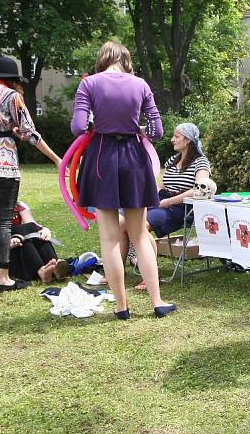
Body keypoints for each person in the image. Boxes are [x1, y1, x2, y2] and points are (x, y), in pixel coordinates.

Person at [70, 41, 176, 319]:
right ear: (125, 60)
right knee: (140, 235)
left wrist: (99, 125)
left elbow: (78, 127)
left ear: (102, 59)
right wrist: (134, 127)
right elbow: (156, 130)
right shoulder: (140, 84)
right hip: (133, 158)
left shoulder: (89, 84)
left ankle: (121, 306)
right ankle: (157, 301)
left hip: (101, 158)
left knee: (109, 239)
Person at [0, 56, 62, 293]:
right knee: (2, 221)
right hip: (2, 163)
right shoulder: (11, 97)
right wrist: (57, 159)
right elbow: (31, 134)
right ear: (11, 79)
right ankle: (4, 279)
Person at [120, 123, 211, 282]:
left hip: (182, 208)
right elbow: (163, 185)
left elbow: (200, 189)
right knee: (122, 223)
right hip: (162, 202)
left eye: (176, 136)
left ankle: (148, 275)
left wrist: (168, 202)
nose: (172, 140)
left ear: (188, 140)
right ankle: (118, 271)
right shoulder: (172, 161)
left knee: (140, 226)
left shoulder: (200, 162)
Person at [0, 201, 68, 283]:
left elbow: (32, 224)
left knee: (32, 230)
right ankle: (43, 270)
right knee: (20, 231)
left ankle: (55, 267)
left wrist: (44, 229)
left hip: (19, 242)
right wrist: (7, 242)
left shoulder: (19, 205)